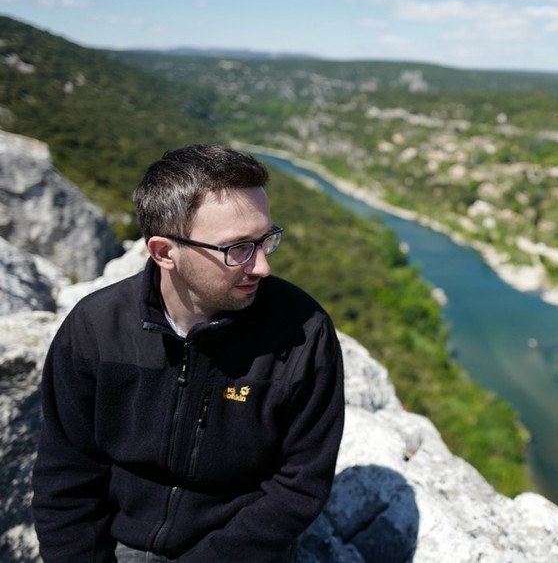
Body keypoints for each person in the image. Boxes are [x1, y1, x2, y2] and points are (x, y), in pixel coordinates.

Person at [32, 144, 346, 562]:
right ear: (165, 252)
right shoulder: (96, 329)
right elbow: (67, 472)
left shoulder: (303, 333)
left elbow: (300, 484)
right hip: (119, 544)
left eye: (266, 240)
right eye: (237, 249)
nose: (262, 267)